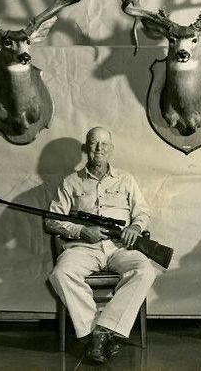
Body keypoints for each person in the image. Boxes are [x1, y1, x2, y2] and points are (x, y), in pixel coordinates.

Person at [46, 127, 156, 364]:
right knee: (60, 274)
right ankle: (97, 331)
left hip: (120, 247)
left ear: (111, 149)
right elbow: (53, 220)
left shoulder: (126, 179)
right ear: (86, 148)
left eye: (104, 144)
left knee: (145, 269)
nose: (99, 149)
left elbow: (143, 211)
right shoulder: (71, 182)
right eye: (94, 144)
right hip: (84, 248)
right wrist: (82, 231)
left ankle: (101, 331)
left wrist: (135, 228)